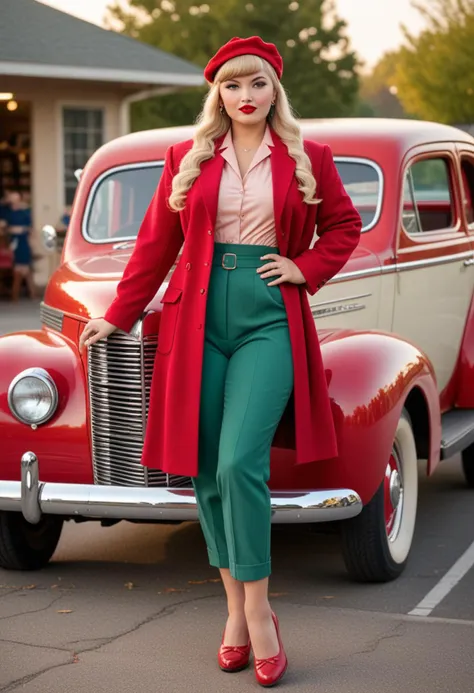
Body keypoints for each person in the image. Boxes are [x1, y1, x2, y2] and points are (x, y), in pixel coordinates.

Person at [79, 36, 362, 686]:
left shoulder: (307, 156)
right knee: (205, 466)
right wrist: (119, 313)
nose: (245, 96)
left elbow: (344, 225)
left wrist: (306, 266)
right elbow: (156, 242)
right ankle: (233, 609)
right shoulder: (187, 155)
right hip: (194, 319)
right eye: (232, 85)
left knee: (240, 461)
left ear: (274, 89)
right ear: (218, 93)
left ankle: (260, 613)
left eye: (256, 83)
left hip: (269, 316)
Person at [4, 191, 35, 301]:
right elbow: (4, 226)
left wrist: (21, 230)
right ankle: (17, 295)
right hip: (11, 243)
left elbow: (30, 228)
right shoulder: (6, 211)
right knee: (21, 270)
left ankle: (18, 296)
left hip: (23, 242)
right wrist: (9, 230)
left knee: (23, 270)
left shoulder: (25, 211)